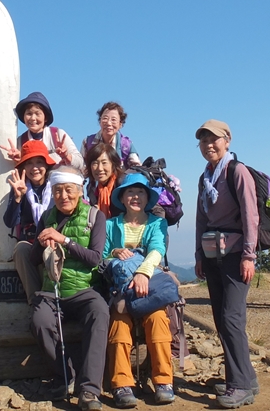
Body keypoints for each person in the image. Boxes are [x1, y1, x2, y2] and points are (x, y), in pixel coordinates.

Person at [29, 166, 109, 411]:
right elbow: (33, 259)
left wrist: (65, 240)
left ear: (80, 190)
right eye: (57, 191)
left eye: (68, 190)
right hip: (51, 290)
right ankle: (64, 375)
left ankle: (90, 390)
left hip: (84, 289)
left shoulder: (95, 216)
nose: (63, 196)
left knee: (100, 313)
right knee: (39, 322)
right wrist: (41, 243)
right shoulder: (47, 217)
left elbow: (95, 258)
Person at [193, 120, 260, 409]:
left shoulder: (237, 171)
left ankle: (240, 386)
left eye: (214, 139)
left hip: (235, 256)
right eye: (203, 140)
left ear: (227, 141)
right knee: (222, 320)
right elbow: (201, 217)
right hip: (212, 255)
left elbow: (250, 215)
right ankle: (245, 377)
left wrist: (248, 255)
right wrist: (198, 254)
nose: (208, 145)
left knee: (232, 318)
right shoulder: (205, 177)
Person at [103, 173, 174, 407]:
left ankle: (163, 381)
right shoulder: (111, 224)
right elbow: (100, 257)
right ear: (122, 198)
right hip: (121, 290)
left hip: (148, 285)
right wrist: (114, 252)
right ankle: (121, 384)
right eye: (130, 192)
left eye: (140, 192)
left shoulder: (157, 223)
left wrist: (142, 273)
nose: (135, 196)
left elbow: (157, 250)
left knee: (157, 319)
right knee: (119, 323)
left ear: (147, 197)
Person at [3, 139, 56, 304]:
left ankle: (56, 299)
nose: (35, 168)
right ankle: (36, 302)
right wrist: (17, 199)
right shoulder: (19, 188)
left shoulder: (56, 188)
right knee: (21, 249)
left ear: (46, 165)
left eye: (39, 162)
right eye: (29, 163)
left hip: (53, 240)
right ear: (23, 167)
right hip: (30, 242)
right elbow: (10, 222)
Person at [1, 91, 84, 171]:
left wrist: (66, 156)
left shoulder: (58, 135)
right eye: (29, 114)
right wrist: (20, 160)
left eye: (37, 114)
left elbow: (80, 163)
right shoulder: (21, 142)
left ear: (46, 117)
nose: (33, 118)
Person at [81, 102, 140, 169]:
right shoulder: (87, 142)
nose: (109, 123)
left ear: (120, 124)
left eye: (113, 120)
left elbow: (137, 169)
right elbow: (81, 168)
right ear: (100, 121)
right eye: (105, 118)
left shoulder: (126, 145)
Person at [84, 142, 126, 218]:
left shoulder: (122, 185)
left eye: (104, 163)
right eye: (95, 163)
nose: (100, 168)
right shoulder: (92, 187)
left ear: (113, 164)